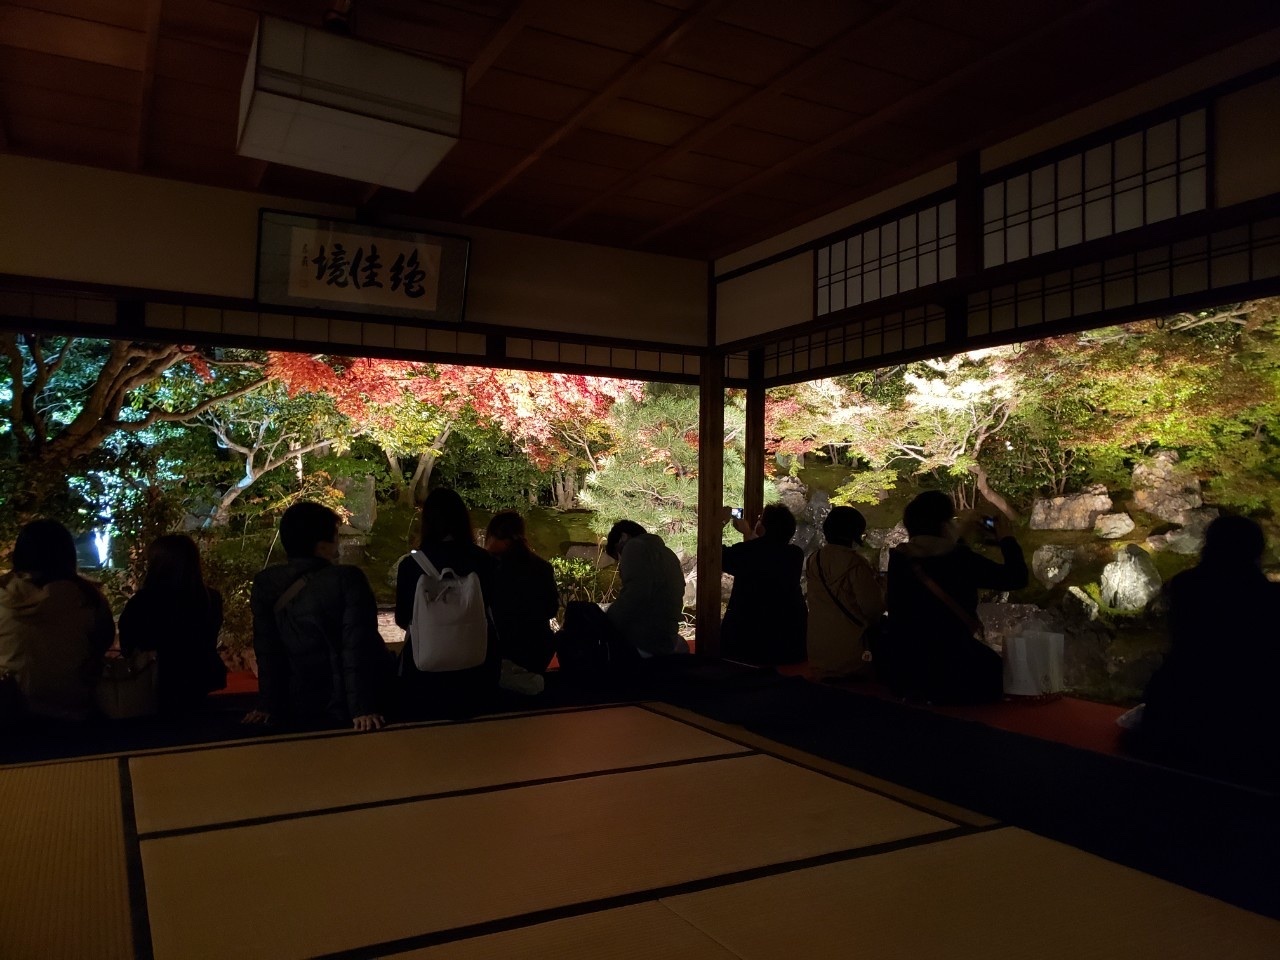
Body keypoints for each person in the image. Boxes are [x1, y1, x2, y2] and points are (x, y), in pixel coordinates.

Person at [1132, 515, 1280, 786]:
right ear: (1256, 550)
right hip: (1249, 715)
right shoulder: (1268, 598)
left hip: (1180, 703)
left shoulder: (1185, 586)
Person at [246, 502, 389, 731]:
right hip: (340, 701)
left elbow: (267, 649)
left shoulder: (266, 583)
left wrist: (267, 704)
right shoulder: (347, 579)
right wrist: (362, 707)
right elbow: (356, 645)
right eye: (336, 537)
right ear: (322, 546)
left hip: (294, 701)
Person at [885, 491, 1027, 703]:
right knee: (1004, 672)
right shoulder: (961, 560)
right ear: (944, 526)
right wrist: (1007, 540)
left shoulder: (899, 559)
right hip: (952, 668)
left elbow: (938, 561)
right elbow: (1016, 578)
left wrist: (962, 537)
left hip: (905, 668)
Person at [0, 519, 115, 721]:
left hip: (12, 715)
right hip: (75, 713)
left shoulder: (3, 595)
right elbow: (101, 646)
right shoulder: (88, 598)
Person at [396, 488, 497, 716]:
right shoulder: (485, 561)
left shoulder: (411, 565)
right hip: (477, 666)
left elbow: (403, 619)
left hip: (427, 668)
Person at [556, 519, 687, 674]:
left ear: (623, 537)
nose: (619, 561)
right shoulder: (667, 553)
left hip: (644, 640)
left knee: (578, 611)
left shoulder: (635, 546)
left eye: (618, 554)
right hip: (665, 638)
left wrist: (608, 620)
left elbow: (635, 595)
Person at [118, 534, 226, 714]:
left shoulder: (144, 602)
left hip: (156, 683)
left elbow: (127, 645)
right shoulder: (209, 599)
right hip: (199, 680)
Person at [720, 504, 806, 666]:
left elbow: (716, 555)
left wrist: (720, 523)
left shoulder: (747, 552)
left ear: (764, 527)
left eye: (760, 519)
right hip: (787, 636)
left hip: (749, 635)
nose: (757, 521)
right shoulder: (795, 554)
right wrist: (749, 533)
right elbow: (765, 552)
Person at [806, 506, 884, 680]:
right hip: (853, 656)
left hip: (818, 653)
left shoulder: (814, 560)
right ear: (854, 534)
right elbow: (873, 608)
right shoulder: (856, 564)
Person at [485, 510, 559, 675]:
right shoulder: (541, 567)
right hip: (538, 648)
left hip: (500, 649)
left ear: (496, 537)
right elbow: (551, 608)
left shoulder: (489, 568)